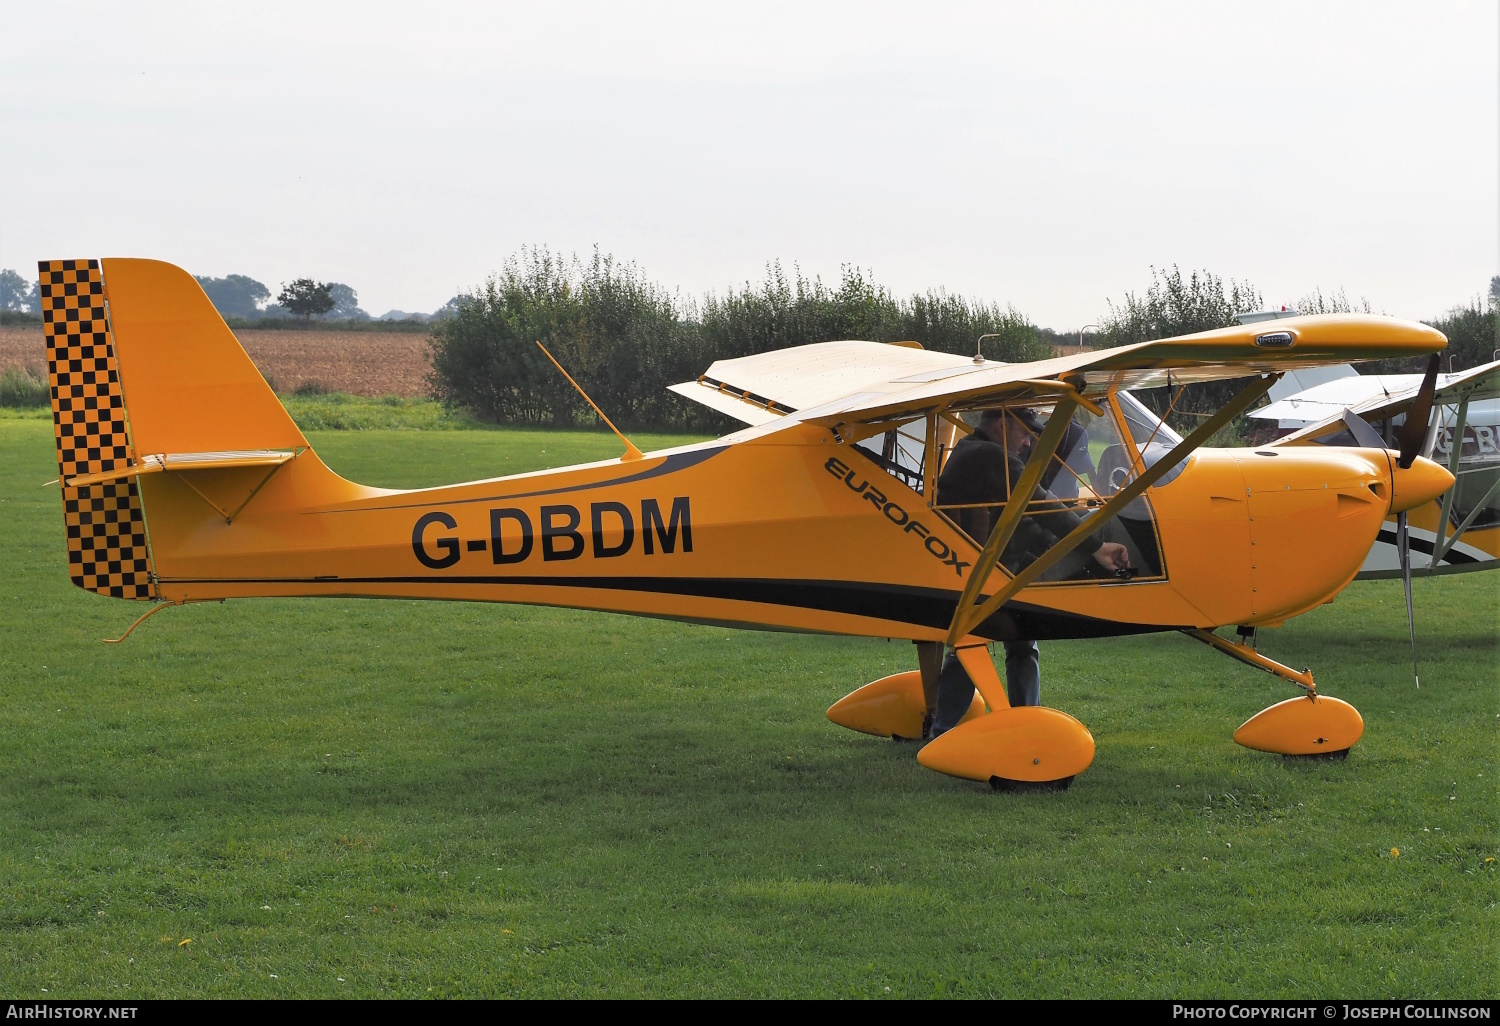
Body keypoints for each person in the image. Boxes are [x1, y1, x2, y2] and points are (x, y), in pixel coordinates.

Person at [927, 407, 1130, 737]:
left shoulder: (971, 448)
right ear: (1003, 425)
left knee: (1017, 641)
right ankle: (945, 731)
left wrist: (1069, 546)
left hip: (993, 568)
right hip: (983, 573)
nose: (1025, 442)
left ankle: (1021, 723)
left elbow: (1020, 521)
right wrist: (1093, 545)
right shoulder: (991, 456)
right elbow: (1038, 504)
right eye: (1023, 433)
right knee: (974, 644)